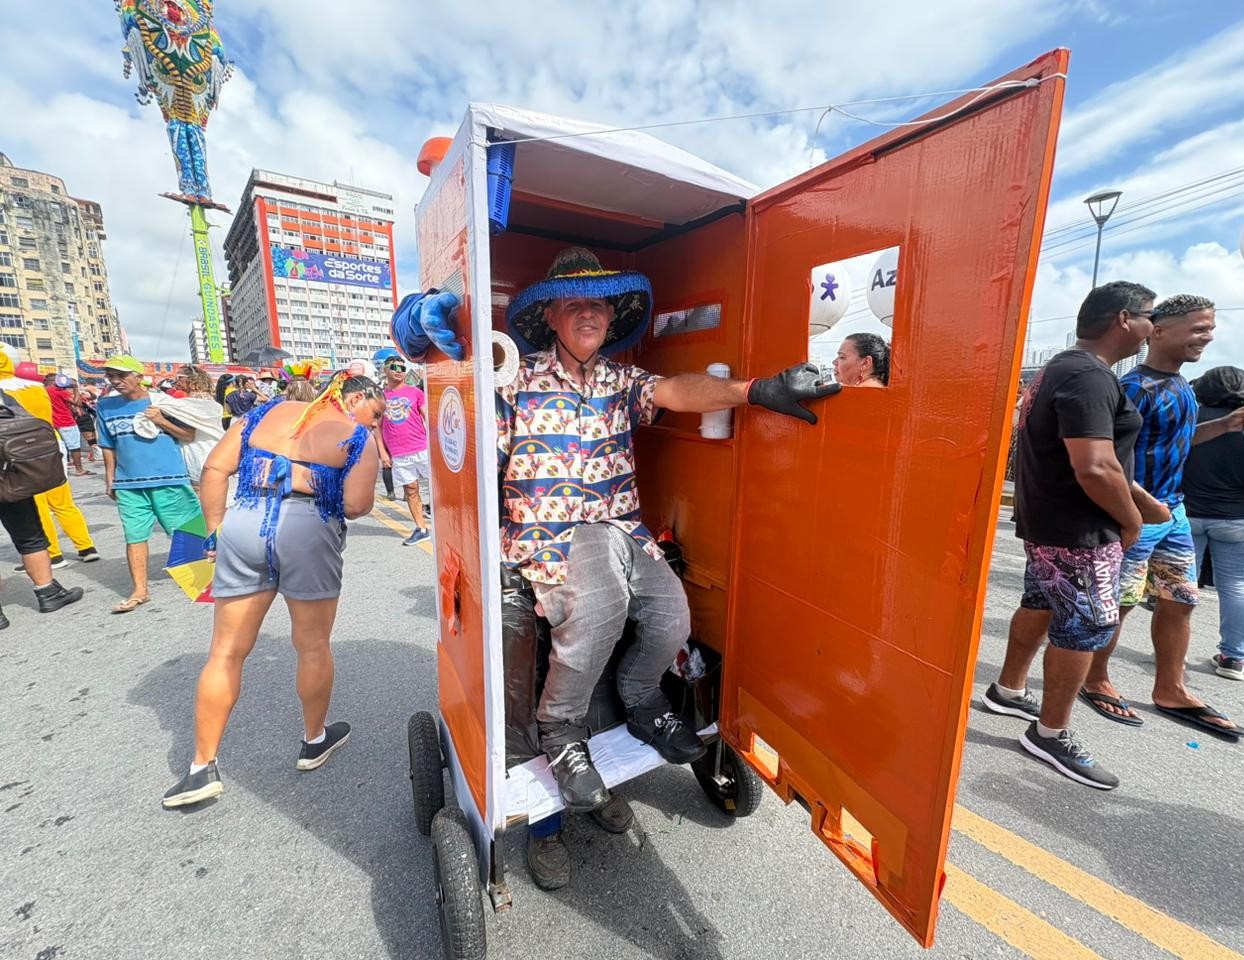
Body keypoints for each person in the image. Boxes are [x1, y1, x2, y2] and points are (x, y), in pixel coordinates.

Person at [393, 246, 839, 888]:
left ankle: (637, 701)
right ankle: (557, 754)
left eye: (599, 302)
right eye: (574, 301)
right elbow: (464, 440)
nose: (589, 313)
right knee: (592, 615)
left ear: (610, 316)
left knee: (671, 617)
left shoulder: (622, 380)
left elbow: (677, 389)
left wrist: (754, 390)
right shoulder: (513, 378)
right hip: (546, 539)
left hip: (622, 531)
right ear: (549, 314)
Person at [161, 374, 384, 809]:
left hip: (243, 521)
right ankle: (313, 740)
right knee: (313, 645)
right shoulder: (356, 438)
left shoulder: (258, 416)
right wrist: (310, 479)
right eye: (373, 414)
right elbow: (357, 507)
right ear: (353, 398)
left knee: (225, 652)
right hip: (308, 532)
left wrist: (212, 532)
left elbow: (214, 470)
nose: (373, 425)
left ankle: (200, 769)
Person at [981, 281, 1162, 789]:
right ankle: (1050, 733)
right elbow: (1095, 467)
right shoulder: (1088, 376)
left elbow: (1093, 457)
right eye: (1150, 318)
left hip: (1051, 522)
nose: (1153, 329)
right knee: (1085, 626)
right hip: (1080, 529)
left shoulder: (1058, 367)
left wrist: (1138, 498)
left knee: (1040, 602)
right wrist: (1130, 519)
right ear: (1123, 318)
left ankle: (1008, 691)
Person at [1081, 295, 1244, 737]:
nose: (1208, 336)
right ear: (1159, 331)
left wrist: (1224, 425)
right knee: (1121, 602)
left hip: (1175, 514)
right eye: (1199, 328)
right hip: (1136, 516)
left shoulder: (1184, 387)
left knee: (1180, 599)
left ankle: (1171, 687)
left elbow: (1176, 444)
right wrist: (1141, 508)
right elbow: (1107, 459)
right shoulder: (1131, 389)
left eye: (1210, 328)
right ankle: (1095, 677)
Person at [1182, 367, 1244, 681]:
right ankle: (1232, 658)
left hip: (1188, 514)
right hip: (1242, 520)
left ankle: (1172, 652)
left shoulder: (1191, 418)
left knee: (1181, 588)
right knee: (1237, 590)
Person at [96, 354, 202, 613]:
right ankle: (140, 590)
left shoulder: (163, 402)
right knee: (134, 535)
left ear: (139, 377)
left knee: (188, 529)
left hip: (170, 479)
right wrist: (110, 478)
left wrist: (161, 420)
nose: (116, 381)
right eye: (111, 376)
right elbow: (108, 445)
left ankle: (203, 579)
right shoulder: (105, 407)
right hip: (128, 483)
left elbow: (189, 434)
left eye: (122, 375)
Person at [0, 348, 99, 568]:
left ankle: (52, 555)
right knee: (63, 502)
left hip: (17, 454)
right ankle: (86, 547)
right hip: (49, 446)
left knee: (36, 505)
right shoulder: (36, 388)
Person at [375, 354, 432, 545]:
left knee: (437, 487)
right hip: (399, 453)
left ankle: (443, 522)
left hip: (422, 448)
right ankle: (421, 528)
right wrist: (383, 453)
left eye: (402, 368)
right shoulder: (380, 397)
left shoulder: (415, 392)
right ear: (385, 370)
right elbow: (377, 427)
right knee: (411, 489)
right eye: (394, 367)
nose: (399, 371)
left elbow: (428, 419)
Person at [45, 373, 91, 476]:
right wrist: (76, 389)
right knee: (74, 446)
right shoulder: (61, 392)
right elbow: (78, 403)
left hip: (53, 422)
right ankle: (79, 469)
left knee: (60, 446)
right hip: (66, 421)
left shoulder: (45, 391)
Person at [74, 386, 99, 463]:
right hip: (78, 418)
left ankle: (93, 453)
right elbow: (76, 403)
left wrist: (88, 391)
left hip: (84, 418)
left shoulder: (81, 396)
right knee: (76, 441)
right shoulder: (67, 395)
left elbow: (93, 397)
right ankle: (94, 453)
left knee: (91, 439)